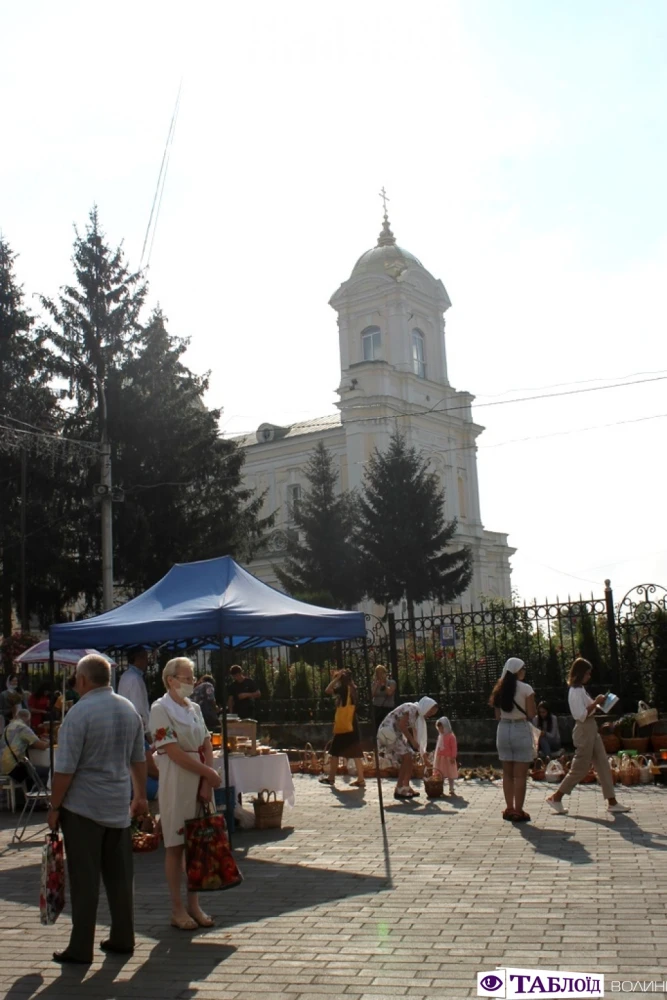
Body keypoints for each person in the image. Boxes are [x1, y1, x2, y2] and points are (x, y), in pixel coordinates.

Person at [48, 654, 147, 965]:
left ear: (82, 680)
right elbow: (138, 759)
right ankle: (123, 936)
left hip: (83, 808)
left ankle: (80, 947)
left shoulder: (78, 714)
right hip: (118, 804)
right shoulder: (128, 709)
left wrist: (53, 806)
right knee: (120, 877)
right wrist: (140, 796)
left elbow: (65, 770)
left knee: (85, 879)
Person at [149, 657, 222, 931]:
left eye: (193, 677)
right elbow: (172, 750)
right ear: (171, 680)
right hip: (176, 778)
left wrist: (207, 776)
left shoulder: (193, 708)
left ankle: (195, 904)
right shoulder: (160, 708)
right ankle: (176, 907)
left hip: (199, 775)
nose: (192, 682)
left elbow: (206, 740)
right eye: (187, 677)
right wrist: (206, 772)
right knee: (176, 843)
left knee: (198, 844)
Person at [546, 658, 630, 815]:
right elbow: (581, 714)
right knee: (581, 767)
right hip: (584, 729)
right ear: (580, 674)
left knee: (603, 764)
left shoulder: (580, 689)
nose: (589, 676)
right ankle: (556, 797)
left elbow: (590, 709)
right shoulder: (575, 691)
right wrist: (595, 702)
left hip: (591, 727)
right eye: (587, 673)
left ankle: (612, 801)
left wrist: (600, 702)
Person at [490, 657, 536, 823]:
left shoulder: (499, 689)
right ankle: (518, 810)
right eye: (523, 669)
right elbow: (531, 714)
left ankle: (509, 807)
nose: (524, 672)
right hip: (520, 729)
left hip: (503, 729)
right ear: (518, 671)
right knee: (520, 775)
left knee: (507, 773)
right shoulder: (526, 689)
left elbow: (497, 715)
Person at [377, 696, 439, 800]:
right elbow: (402, 725)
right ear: (426, 706)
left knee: (410, 756)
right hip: (390, 732)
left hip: (395, 734)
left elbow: (416, 735)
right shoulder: (412, 708)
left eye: (432, 714)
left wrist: (424, 757)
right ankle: (400, 787)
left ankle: (405, 786)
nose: (430, 715)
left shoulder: (417, 715)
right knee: (407, 756)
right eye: (430, 711)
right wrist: (412, 741)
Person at [319, 669, 366, 790]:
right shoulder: (353, 688)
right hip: (352, 723)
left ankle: (331, 778)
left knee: (334, 750)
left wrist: (335, 679)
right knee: (356, 751)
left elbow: (327, 690)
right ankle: (361, 779)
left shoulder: (343, 688)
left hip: (344, 724)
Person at [1, 708, 50, 787]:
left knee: (32, 771)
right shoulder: (23, 728)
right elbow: (41, 746)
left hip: (3, 767)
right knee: (48, 772)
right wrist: (49, 742)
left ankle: (26, 795)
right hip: (15, 769)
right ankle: (36, 797)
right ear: (28, 720)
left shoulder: (8, 727)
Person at [118, 648, 151, 732]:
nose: (147, 662)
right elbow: (140, 707)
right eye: (145, 658)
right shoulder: (135, 678)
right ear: (138, 659)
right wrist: (147, 732)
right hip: (137, 728)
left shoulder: (125, 676)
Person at [433, 716, 458, 795]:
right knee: (441, 774)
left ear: (446, 727)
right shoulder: (440, 736)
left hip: (448, 758)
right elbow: (438, 746)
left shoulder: (451, 736)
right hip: (440, 758)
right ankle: (441, 788)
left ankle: (451, 788)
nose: (440, 730)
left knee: (450, 774)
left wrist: (453, 756)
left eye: (442, 728)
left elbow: (454, 747)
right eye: (439, 728)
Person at [371, 665, 397, 731]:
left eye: (382, 673)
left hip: (387, 708)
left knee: (388, 728)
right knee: (378, 728)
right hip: (377, 708)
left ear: (385, 673)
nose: (380, 675)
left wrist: (384, 685)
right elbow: (372, 694)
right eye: (378, 673)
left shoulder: (391, 682)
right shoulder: (375, 683)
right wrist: (377, 685)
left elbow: (389, 693)